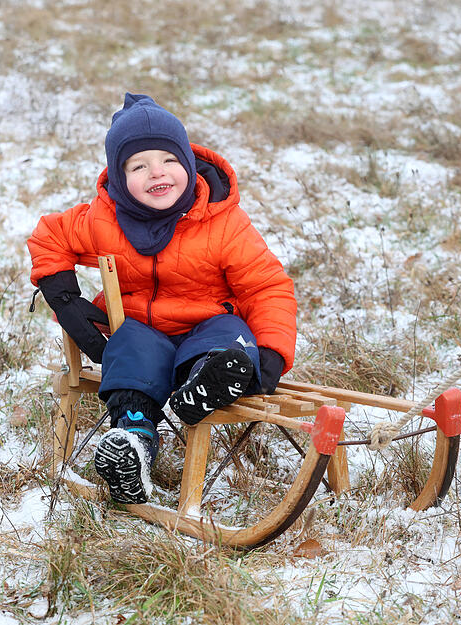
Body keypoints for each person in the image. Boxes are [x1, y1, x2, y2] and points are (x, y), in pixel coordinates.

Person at [28, 93, 296, 504]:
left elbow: (266, 286)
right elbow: (50, 235)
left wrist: (273, 350)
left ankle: (211, 381)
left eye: (169, 160)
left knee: (226, 333)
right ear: (118, 178)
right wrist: (63, 295)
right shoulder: (104, 218)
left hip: (207, 323)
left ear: (188, 163)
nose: (158, 172)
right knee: (131, 346)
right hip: (143, 329)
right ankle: (134, 444)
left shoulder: (223, 222)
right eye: (139, 165)